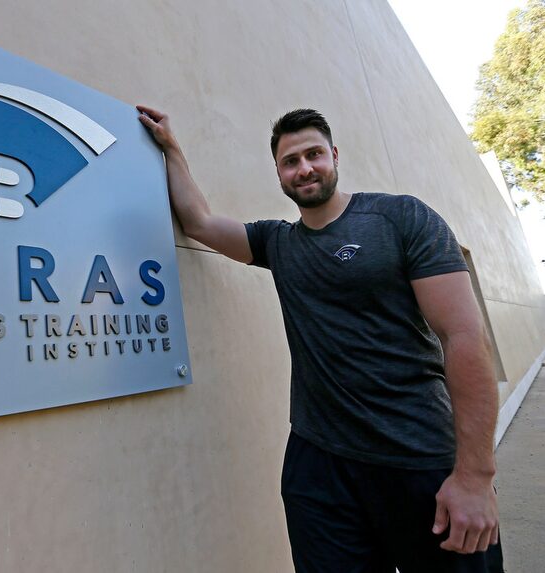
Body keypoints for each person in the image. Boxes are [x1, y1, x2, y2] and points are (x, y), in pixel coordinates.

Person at [137, 105, 503, 572]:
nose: (304, 168)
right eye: (290, 161)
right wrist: (172, 148)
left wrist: (475, 474)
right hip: (319, 463)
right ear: (279, 174)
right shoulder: (278, 243)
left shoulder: (401, 218)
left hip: (419, 456)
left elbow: (465, 338)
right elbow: (200, 223)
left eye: (313, 154)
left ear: (334, 155)